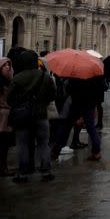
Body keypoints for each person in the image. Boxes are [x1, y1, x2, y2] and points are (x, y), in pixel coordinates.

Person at [7, 49, 56, 183]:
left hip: (22, 116)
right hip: (41, 114)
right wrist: (42, 103)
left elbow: (9, 98)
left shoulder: (18, 77)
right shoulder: (45, 76)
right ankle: (46, 171)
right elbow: (53, 94)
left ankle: (23, 174)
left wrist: (19, 104)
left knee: (22, 144)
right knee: (43, 144)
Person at [51, 76, 104, 161]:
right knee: (91, 129)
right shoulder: (93, 76)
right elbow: (97, 92)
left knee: (66, 128)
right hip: (89, 106)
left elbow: (70, 90)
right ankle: (96, 152)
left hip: (76, 105)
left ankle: (56, 151)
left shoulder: (75, 76)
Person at [0, 57, 13, 176]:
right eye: (5, 65)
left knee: (5, 144)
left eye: (9, 65)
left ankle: (3, 166)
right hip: (2, 116)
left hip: (7, 117)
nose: (8, 67)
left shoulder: (10, 81)